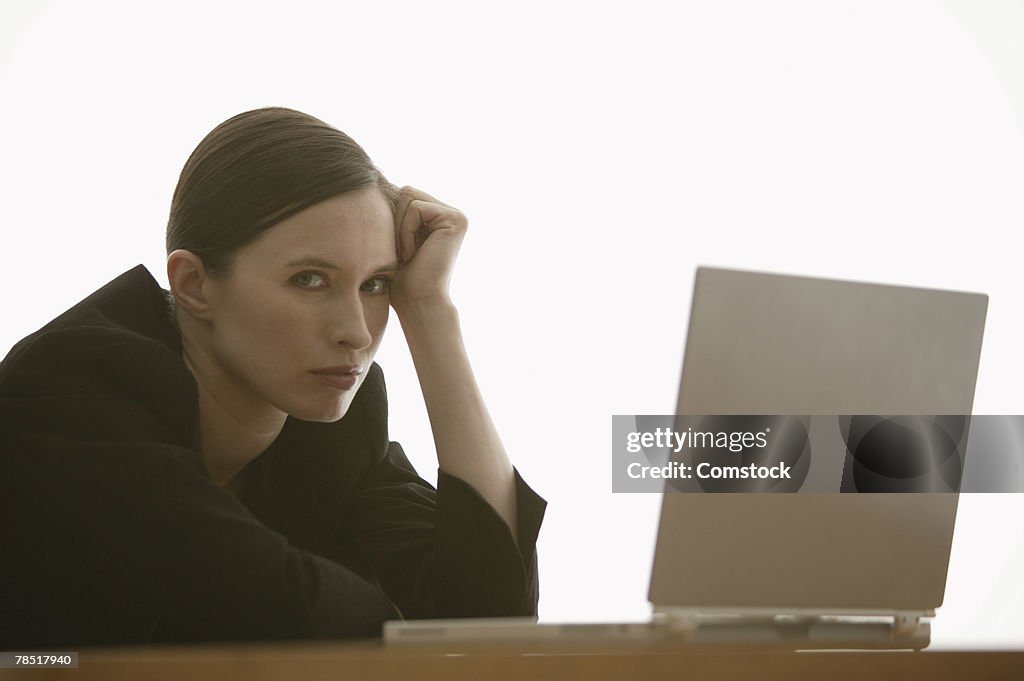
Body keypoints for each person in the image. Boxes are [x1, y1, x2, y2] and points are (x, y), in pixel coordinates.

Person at [0, 107, 546, 646]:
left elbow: (492, 617)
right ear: (192, 284)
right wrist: (428, 638)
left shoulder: (339, 424)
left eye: (376, 284)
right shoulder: (75, 382)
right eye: (310, 279)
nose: (356, 334)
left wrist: (430, 311)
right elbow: (268, 599)